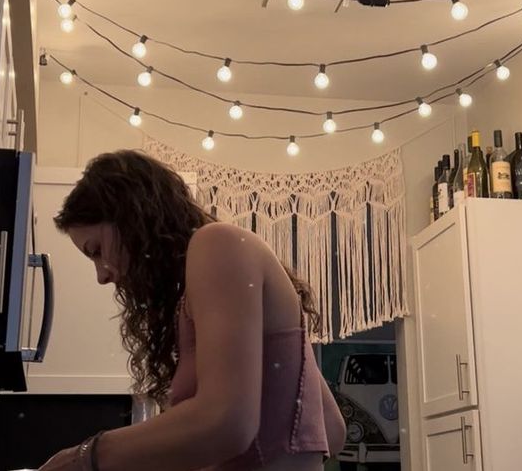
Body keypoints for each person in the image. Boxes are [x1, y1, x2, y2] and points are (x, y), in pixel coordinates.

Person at [37, 149, 346, 471]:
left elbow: (226, 423)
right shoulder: (208, 281)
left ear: (132, 217)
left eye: (97, 250)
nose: (102, 274)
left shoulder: (218, 243)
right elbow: (331, 429)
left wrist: (84, 458)